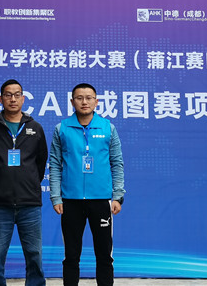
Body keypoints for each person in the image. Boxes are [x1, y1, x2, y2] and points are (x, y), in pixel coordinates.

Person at [49, 83, 125, 286]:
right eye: (79, 98)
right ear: (72, 101)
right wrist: (56, 197)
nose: (84, 102)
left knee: (104, 255)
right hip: (70, 200)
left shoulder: (108, 128)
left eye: (89, 98)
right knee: (71, 255)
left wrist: (117, 196)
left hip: (101, 200)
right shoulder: (62, 129)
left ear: (96, 101)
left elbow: (117, 163)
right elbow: (55, 165)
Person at [0, 79, 48, 286]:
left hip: (29, 204)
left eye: (17, 94)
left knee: (34, 255)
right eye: (8, 95)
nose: (13, 99)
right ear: (0, 99)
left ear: (23, 98)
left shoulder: (35, 128)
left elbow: (41, 162)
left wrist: (28, 183)